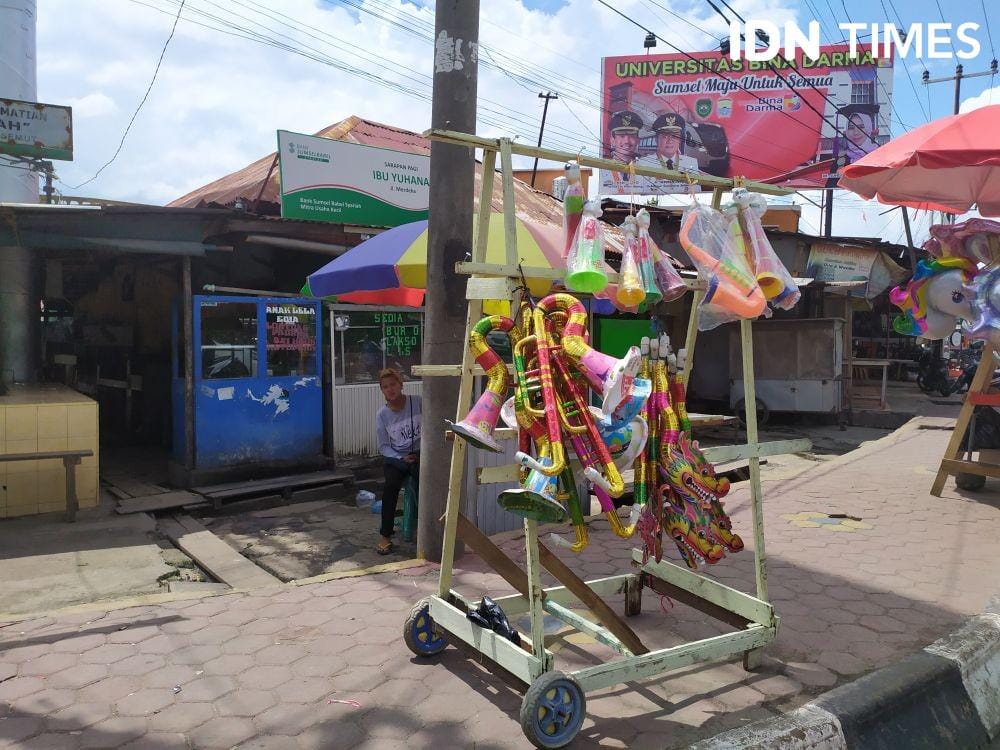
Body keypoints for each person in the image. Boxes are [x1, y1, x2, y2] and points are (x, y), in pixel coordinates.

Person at [374, 368, 421, 555]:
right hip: (397, 458)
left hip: (420, 454)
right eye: (385, 387)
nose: (390, 389)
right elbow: (384, 446)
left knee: (427, 483)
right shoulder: (382, 415)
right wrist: (400, 457)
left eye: (393, 384)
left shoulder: (417, 402)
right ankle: (386, 536)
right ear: (382, 391)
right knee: (390, 487)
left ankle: (428, 528)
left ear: (401, 384)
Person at [606, 109, 643, 193]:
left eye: (631, 136)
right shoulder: (604, 170)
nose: (626, 141)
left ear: (638, 140)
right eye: (622, 136)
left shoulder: (645, 170)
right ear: (612, 140)